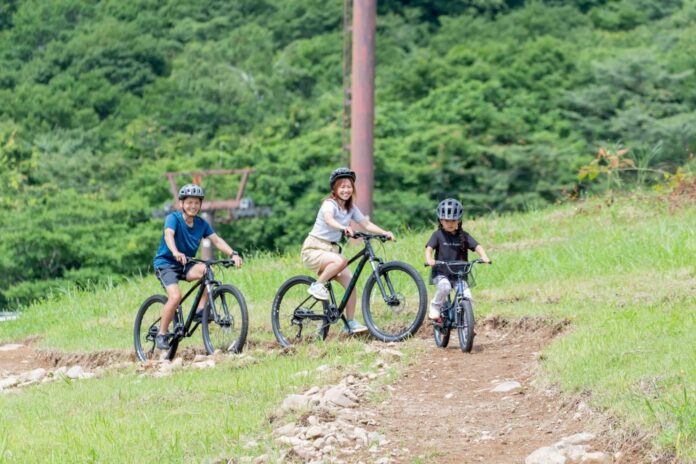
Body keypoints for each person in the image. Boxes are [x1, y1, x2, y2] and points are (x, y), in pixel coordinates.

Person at [301, 167, 395, 334]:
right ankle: (317, 286)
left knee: (350, 283)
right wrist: (344, 227)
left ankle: (349, 323)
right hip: (313, 249)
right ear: (335, 189)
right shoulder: (329, 204)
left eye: (349, 186)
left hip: (331, 251)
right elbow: (329, 220)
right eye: (342, 187)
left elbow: (365, 224)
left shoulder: (351, 208)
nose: (346, 190)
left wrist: (384, 232)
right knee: (341, 261)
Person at [152, 184, 242, 350]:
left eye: (196, 203)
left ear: (200, 205)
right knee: (175, 297)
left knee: (207, 270)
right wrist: (175, 251)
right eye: (189, 202)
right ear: (181, 204)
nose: (193, 206)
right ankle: (162, 334)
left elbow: (216, 240)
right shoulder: (173, 218)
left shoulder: (201, 224)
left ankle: (200, 311)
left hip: (186, 263)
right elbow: (168, 235)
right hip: (166, 263)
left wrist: (232, 254)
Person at [424, 198, 490, 322]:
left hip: (459, 274)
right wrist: (429, 259)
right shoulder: (437, 235)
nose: (450, 223)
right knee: (445, 287)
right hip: (442, 273)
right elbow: (429, 249)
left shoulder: (464, 236)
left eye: (453, 220)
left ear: (459, 220)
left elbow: (477, 246)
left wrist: (484, 256)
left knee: (467, 297)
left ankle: (467, 325)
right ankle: (435, 306)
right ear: (440, 220)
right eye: (446, 220)